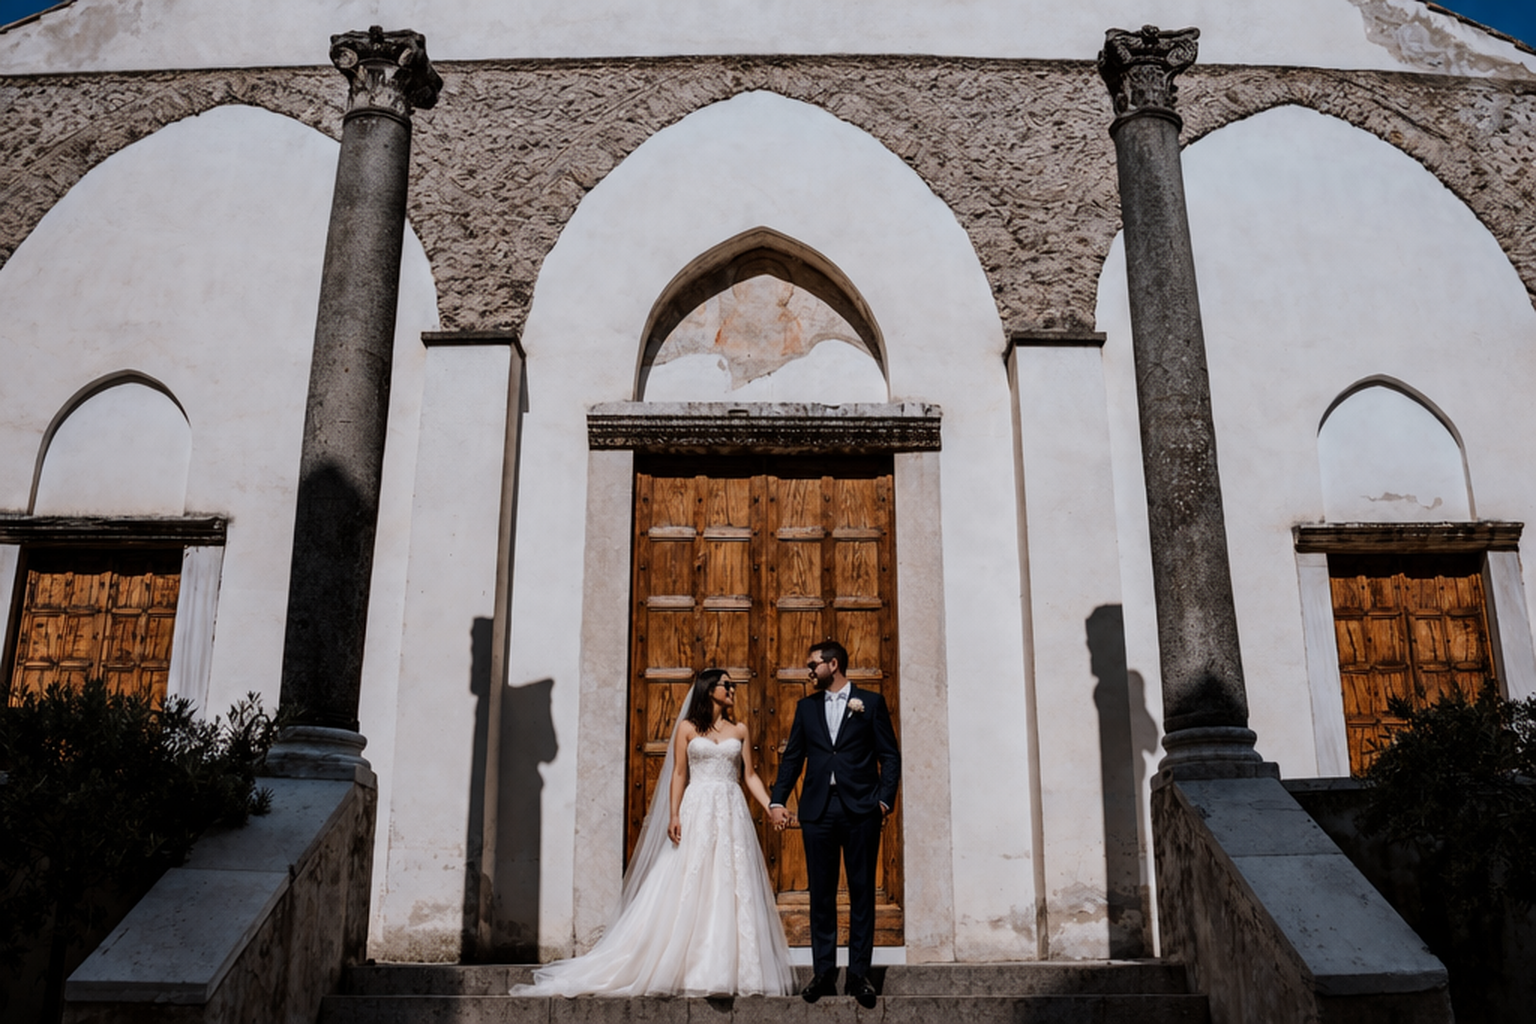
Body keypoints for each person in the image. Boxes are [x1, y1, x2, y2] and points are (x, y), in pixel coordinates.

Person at [512, 668, 795, 997]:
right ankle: (677, 962)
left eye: (732, 685)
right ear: (709, 690)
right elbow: (678, 773)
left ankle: (726, 968)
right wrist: (674, 814)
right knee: (691, 877)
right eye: (726, 685)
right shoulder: (688, 728)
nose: (733, 689)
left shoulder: (740, 729)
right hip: (698, 806)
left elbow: (750, 777)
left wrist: (772, 806)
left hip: (731, 809)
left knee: (730, 881)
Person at [769, 640, 901, 1008]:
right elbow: (793, 757)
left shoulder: (870, 704)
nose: (808, 671)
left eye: (813, 665)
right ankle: (823, 972)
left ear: (833, 663)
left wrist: (884, 800)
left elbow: (889, 755)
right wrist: (778, 799)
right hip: (817, 812)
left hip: (861, 811)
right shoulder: (806, 708)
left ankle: (859, 976)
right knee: (821, 895)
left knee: (861, 893)